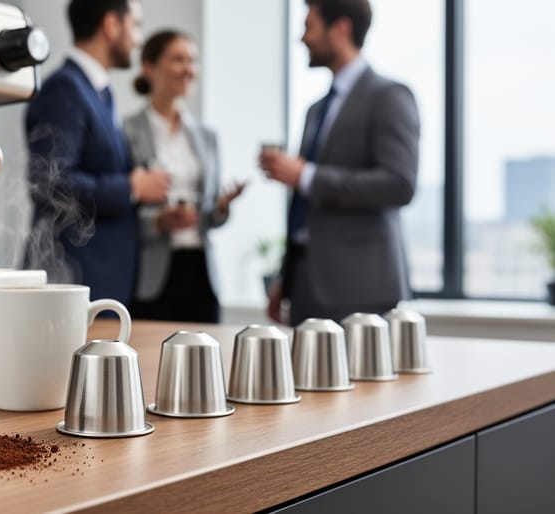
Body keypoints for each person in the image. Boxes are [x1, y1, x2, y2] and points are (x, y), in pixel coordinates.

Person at [259, 0, 419, 326]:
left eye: (310, 27)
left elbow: (399, 184)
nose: (303, 38)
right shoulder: (315, 110)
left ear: (341, 28)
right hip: (305, 284)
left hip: (361, 285)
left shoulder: (389, 96)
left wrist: (306, 175)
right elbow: (305, 209)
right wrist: (286, 279)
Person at [24, 0, 170, 305]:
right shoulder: (65, 89)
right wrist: (132, 187)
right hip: (75, 279)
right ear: (111, 25)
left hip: (102, 280)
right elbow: (50, 183)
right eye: (135, 25)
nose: (139, 39)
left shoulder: (98, 92)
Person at [123, 30, 246, 323]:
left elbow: (210, 217)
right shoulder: (126, 132)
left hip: (201, 271)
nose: (189, 68)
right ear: (149, 67)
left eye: (193, 60)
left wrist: (221, 206)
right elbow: (121, 207)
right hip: (152, 274)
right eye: (178, 59)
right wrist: (157, 221)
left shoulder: (207, 137)